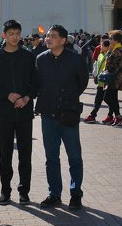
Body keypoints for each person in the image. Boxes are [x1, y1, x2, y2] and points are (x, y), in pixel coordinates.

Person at [34, 25, 89, 210]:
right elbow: (38, 83)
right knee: (51, 157)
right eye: (48, 35)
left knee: (74, 156)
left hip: (69, 114)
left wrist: (67, 98)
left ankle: (76, 194)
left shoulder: (76, 60)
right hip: (48, 114)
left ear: (64, 40)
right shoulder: (41, 59)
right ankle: (54, 193)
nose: (48, 38)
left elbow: (82, 83)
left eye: (53, 36)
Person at [0, 19, 39, 205]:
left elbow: (35, 83)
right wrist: (7, 95)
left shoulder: (28, 57)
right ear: (4, 35)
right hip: (5, 113)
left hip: (24, 113)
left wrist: (26, 98)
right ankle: (5, 190)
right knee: (5, 154)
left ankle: (24, 190)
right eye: (11, 34)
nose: (15, 37)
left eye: (17, 33)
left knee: (25, 153)